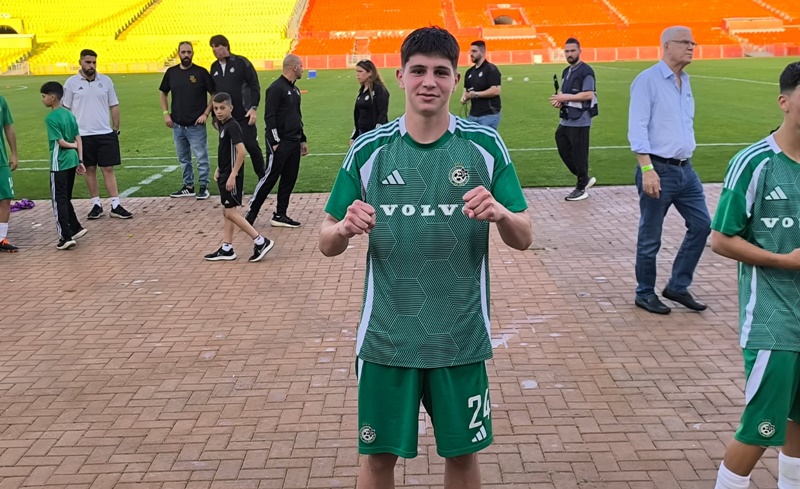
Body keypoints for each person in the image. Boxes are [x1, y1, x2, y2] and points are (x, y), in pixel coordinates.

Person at [318, 26, 532, 489]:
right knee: (378, 461)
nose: (429, 82)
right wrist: (343, 228)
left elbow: (524, 236)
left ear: (456, 79)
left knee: (463, 458)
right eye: (418, 71)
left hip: (460, 338)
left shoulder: (484, 147)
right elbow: (325, 240)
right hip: (386, 340)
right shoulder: (370, 149)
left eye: (440, 72)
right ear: (400, 77)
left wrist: (500, 213)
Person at [709, 61, 800, 489]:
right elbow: (721, 239)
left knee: (799, 424)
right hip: (772, 322)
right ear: (784, 102)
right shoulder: (755, 163)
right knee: (760, 430)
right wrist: (786, 260)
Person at [627, 26, 710, 315]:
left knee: (702, 225)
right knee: (651, 236)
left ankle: (677, 285)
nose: (691, 47)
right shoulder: (647, 80)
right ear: (666, 46)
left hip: (686, 170)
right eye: (685, 42)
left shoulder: (685, 81)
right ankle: (644, 292)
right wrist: (647, 169)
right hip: (658, 168)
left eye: (693, 42)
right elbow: (637, 127)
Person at [204, 92, 274, 263]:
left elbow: (241, 152)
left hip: (231, 177)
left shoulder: (232, 126)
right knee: (227, 211)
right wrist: (220, 168)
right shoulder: (223, 125)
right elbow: (227, 152)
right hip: (225, 173)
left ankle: (260, 241)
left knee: (230, 212)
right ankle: (227, 247)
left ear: (231, 108)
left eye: (222, 108)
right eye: (216, 108)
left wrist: (233, 175)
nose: (218, 111)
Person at [63, 49, 133, 220]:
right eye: (88, 62)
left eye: (94, 62)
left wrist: (115, 129)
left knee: (108, 169)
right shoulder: (71, 83)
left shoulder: (106, 81)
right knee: (89, 170)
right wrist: (70, 134)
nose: (91, 66)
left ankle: (115, 205)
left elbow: (114, 104)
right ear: (80, 62)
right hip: (82, 135)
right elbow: (66, 109)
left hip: (105, 133)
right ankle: (96, 204)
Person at [245, 54, 308, 228]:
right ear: (294, 67)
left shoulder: (295, 90)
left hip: (294, 140)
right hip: (280, 142)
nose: (303, 69)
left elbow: (297, 117)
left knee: (289, 178)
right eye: (301, 66)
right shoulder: (275, 88)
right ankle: (251, 213)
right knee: (270, 177)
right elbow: (270, 116)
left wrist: (302, 139)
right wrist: (275, 141)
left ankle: (280, 214)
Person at [160, 41, 215, 200]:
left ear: (193, 53)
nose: (186, 55)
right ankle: (188, 186)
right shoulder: (171, 72)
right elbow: (163, 93)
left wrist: (206, 114)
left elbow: (214, 94)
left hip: (196, 125)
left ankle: (203, 186)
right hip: (177, 125)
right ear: (178, 53)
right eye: (183, 52)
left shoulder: (201, 72)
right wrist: (166, 113)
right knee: (183, 159)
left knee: (201, 157)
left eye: (188, 52)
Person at [209, 35, 265, 180]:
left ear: (226, 46)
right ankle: (230, 179)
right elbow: (214, 93)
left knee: (251, 146)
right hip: (225, 119)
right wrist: (214, 115)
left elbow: (254, 86)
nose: (214, 50)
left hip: (244, 115)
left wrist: (253, 108)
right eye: (212, 47)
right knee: (226, 149)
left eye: (217, 46)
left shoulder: (241, 62)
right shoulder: (214, 67)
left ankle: (263, 178)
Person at [549, 37, 598, 201]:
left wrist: (564, 97)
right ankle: (584, 178)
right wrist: (560, 101)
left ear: (579, 51)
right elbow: (566, 94)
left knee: (579, 153)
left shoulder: (586, 71)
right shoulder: (566, 71)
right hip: (567, 118)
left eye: (572, 51)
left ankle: (581, 187)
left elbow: (588, 94)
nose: (569, 54)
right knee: (561, 143)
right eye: (567, 51)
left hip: (580, 119)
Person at [41, 81, 87, 250]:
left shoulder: (51, 118)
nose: (42, 99)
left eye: (44, 96)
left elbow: (60, 142)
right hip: (72, 160)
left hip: (59, 163)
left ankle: (65, 236)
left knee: (58, 199)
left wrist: (72, 146)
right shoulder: (69, 114)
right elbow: (78, 138)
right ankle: (75, 228)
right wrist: (80, 160)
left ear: (53, 97)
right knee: (65, 197)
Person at [459, 40, 501, 130]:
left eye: (474, 51)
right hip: (473, 115)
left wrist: (476, 94)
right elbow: (466, 91)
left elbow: (496, 90)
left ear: (482, 52)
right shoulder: (469, 72)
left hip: (489, 115)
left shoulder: (491, 69)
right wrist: (464, 98)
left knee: (484, 139)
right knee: (470, 138)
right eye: (470, 51)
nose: (471, 54)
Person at [350, 59, 390, 145]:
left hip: (374, 135)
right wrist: (354, 136)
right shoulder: (362, 91)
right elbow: (358, 114)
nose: (357, 74)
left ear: (370, 73)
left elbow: (382, 114)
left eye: (360, 71)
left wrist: (376, 135)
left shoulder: (379, 89)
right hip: (362, 133)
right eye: (357, 71)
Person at [0, 92, 18, 252]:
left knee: (6, 198)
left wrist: (14, 153)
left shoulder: (1, 101)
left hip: (1, 160)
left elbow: (8, 126)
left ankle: (1, 239)